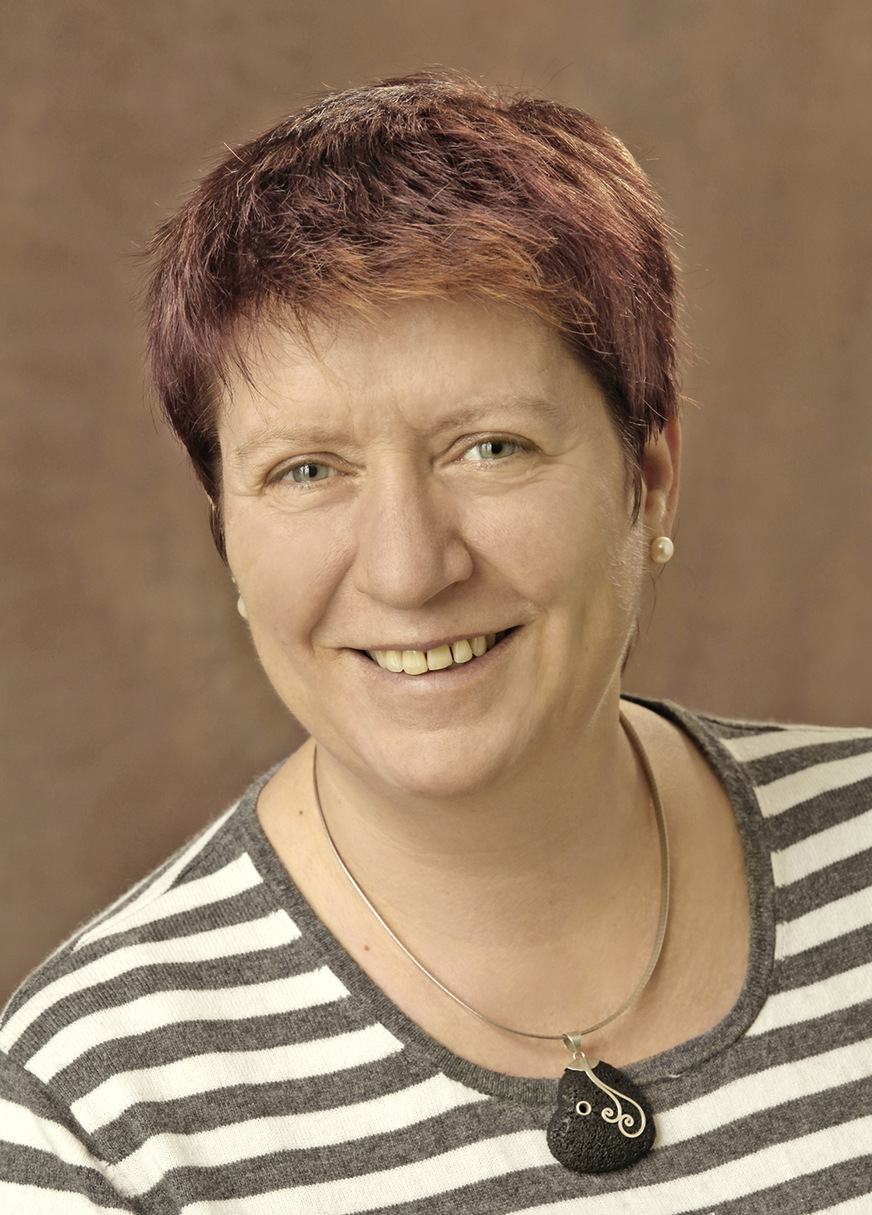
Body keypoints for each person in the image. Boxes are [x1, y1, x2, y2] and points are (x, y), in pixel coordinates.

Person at [1, 71, 870, 1214]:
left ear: (648, 478)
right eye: (306, 471)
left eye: (489, 448)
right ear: (228, 539)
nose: (408, 570)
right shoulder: (89, 1111)